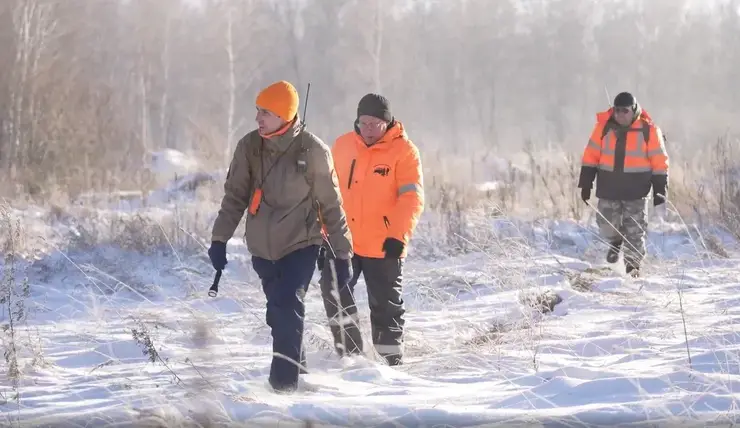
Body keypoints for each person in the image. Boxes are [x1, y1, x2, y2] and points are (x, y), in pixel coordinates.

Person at [207, 80, 353, 393]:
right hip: (262, 247)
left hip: (301, 242)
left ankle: (283, 385)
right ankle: (299, 369)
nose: (258, 118)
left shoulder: (313, 150)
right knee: (278, 313)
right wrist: (219, 239)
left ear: (285, 115)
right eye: (258, 111)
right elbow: (235, 196)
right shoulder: (249, 147)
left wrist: (343, 253)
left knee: (288, 303)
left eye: (266, 113)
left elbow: (331, 204)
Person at [317, 93, 424, 366]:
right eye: (363, 122)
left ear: (387, 123)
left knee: (386, 306)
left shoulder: (404, 151)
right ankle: (351, 358)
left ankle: (391, 363)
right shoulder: (341, 146)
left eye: (374, 123)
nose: (367, 129)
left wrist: (397, 238)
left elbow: (412, 199)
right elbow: (325, 192)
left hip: (384, 243)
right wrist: (321, 228)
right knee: (334, 291)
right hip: (343, 240)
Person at [577, 91, 669, 277]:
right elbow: (591, 155)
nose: (620, 114)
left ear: (634, 110)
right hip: (608, 188)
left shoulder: (649, 130)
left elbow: (660, 162)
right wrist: (586, 183)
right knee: (605, 224)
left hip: (637, 191)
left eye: (625, 111)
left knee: (635, 231)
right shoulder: (603, 128)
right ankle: (615, 240)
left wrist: (660, 192)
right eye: (617, 110)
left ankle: (633, 268)